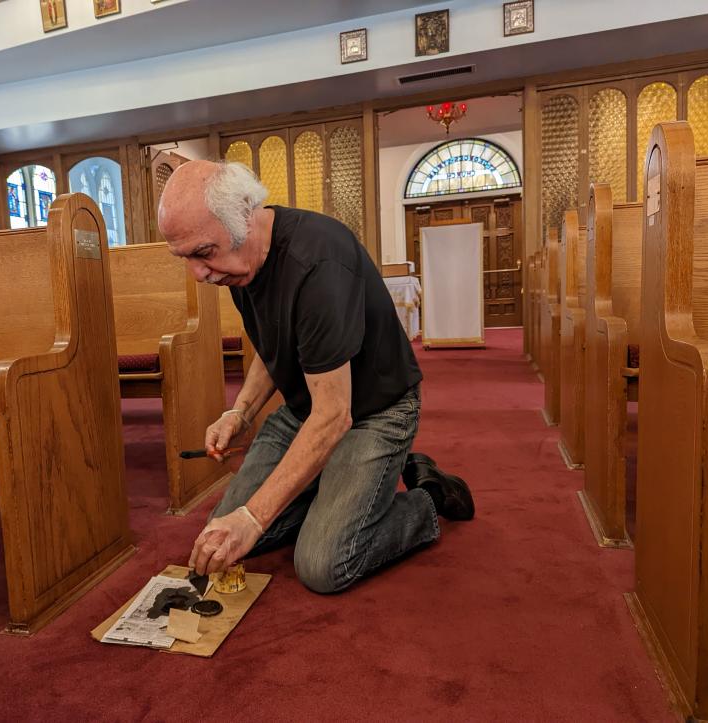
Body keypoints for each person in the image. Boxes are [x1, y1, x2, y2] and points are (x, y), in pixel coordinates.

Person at [157, 160, 474, 594]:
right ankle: (334, 490)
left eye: (203, 252)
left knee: (324, 563)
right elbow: (274, 347)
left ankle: (427, 500)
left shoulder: (318, 262)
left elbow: (333, 416)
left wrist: (254, 516)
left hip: (374, 411)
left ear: (246, 218)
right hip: (307, 410)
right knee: (222, 535)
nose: (197, 273)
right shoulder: (238, 261)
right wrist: (241, 412)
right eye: (185, 257)